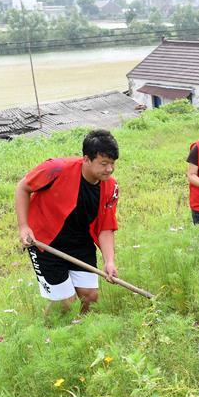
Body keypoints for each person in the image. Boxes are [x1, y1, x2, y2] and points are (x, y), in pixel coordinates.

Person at [15, 129, 120, 314]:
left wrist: (109, 261)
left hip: (80, 242)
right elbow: (23, 187)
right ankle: (50, 334)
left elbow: (105, 227)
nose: (109, 169)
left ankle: (80, 331)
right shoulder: (56, 169)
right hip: (45, 243)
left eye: (112, 163)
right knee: (65, 303)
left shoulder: (110, 187)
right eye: (104, 163)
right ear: (86, 159)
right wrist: (24, 227)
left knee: (91, 297)